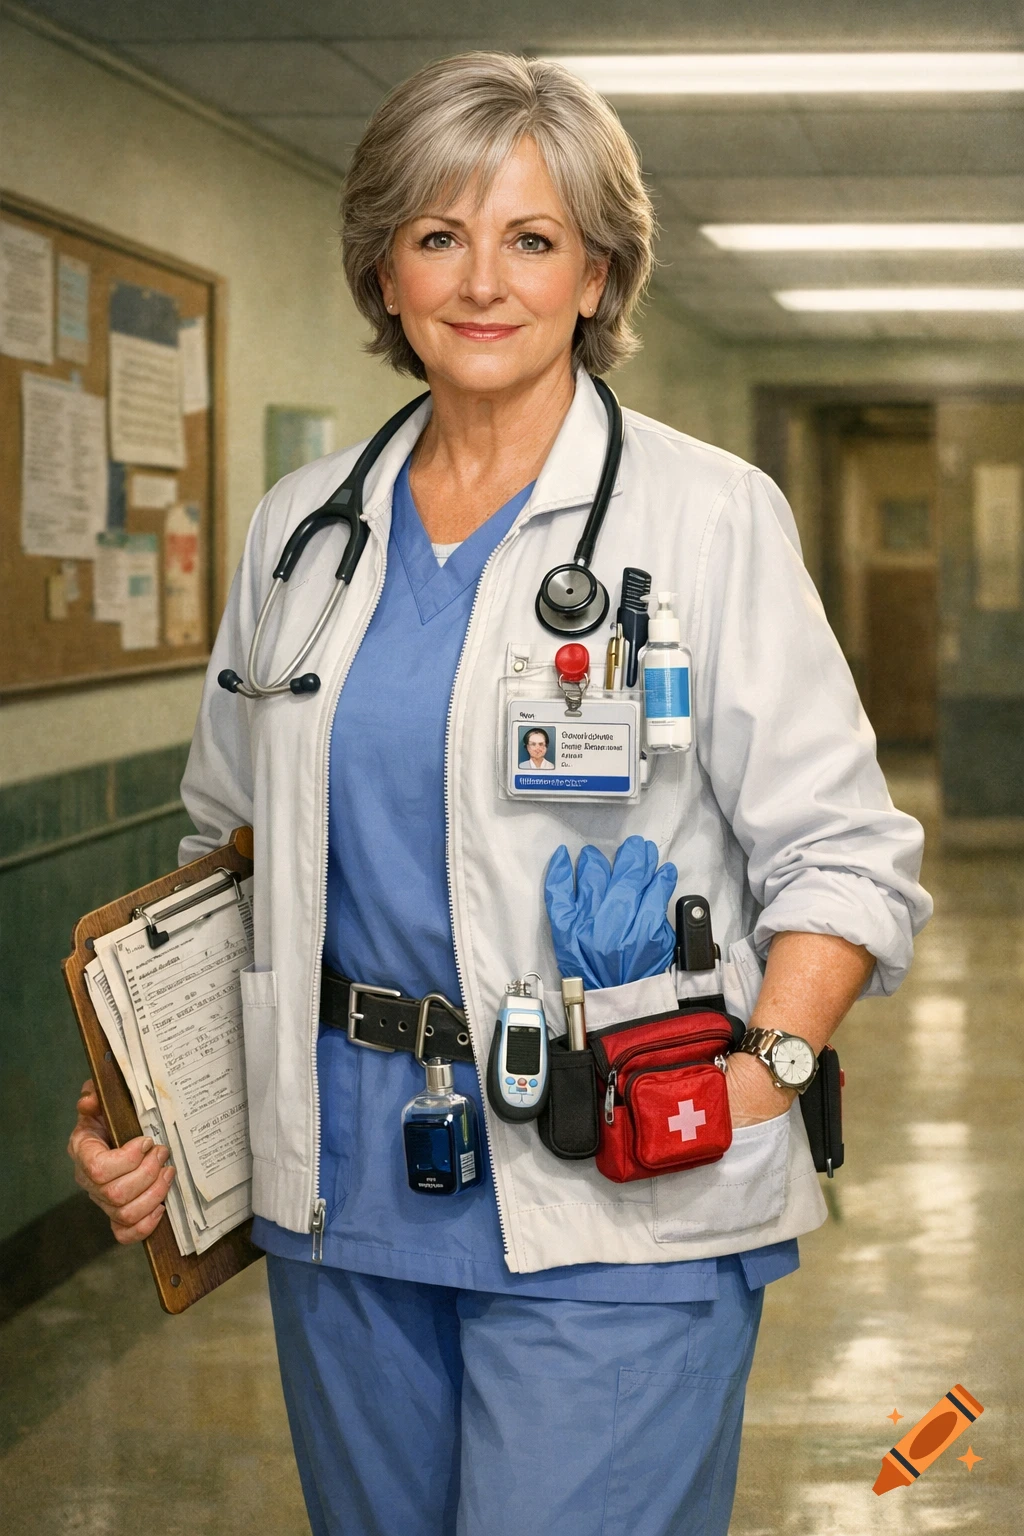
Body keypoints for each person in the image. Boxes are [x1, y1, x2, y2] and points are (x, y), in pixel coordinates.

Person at [68, 51, 931, 1536]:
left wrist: (767, 1070)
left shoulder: (708, 515)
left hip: (621, 1179)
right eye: (438, 236)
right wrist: (138, 1098)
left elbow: (845, 851)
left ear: (597, 274)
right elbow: (224, 860)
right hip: (346, 1197)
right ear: (385, 269)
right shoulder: (301, 530)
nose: (485, 281)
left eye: (532, 239)